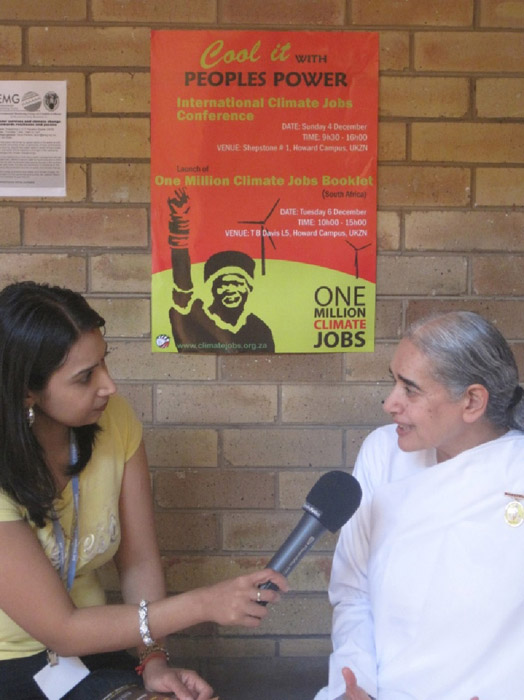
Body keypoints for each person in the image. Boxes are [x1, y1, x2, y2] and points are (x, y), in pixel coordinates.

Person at [0, 281, 287, 700]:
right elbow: (61, 631)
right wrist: (203, 604)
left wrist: (153, 661)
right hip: (14, 658)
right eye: (85, 377)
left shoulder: (114, 420)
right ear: (27, 390)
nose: (109, 385)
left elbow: (137, 560)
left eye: (104, 362)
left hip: (97, 639)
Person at [314, 311, 524, 700]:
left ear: (473, 401)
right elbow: (352, 592)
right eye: (392, 381)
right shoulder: (382, 451)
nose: (390, 404)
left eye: (410, 389)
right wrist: (356, 685)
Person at [167, 188, 275, 353]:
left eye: (238, 283)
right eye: (223, 284)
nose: (230, 290)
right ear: (212, 288)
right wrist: (180, 225)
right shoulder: (195, 315)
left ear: (249, 288)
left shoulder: (260, 330)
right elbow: (183, 287)